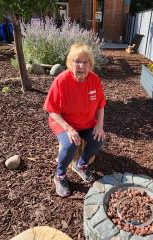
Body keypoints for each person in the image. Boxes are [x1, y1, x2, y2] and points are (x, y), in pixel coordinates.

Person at [43, 43, 106, 197]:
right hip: (64, 123)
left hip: (86, 122)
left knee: (98, 139)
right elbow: (52, 111)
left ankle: (81, 165)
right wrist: (69, 128)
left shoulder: (94, 80)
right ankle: (59, 176)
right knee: (71, 144)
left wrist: (99, 125)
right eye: (77, 61)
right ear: (70, 63)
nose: (81, 66)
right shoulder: (61, 80)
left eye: (85, 62)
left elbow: (100, 105)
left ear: (90, 65)